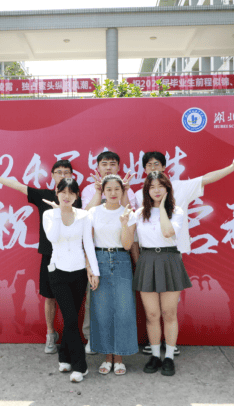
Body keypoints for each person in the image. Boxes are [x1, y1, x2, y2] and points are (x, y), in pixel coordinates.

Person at [135, 151, 234, 355]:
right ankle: (154, 345)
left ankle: (170, 346)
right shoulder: (140, 195)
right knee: (152, 310)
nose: (153, 168)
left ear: (164, 167)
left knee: (169, 308)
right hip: (148, 255)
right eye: (149, 165)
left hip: (173, 253)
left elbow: (206, 178)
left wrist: (232, 167)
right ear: (144, 169)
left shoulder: (180, 187)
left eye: (157, 164)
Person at [0, 160, 82, 354]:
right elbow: (19, 186)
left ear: (71, 176)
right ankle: (50, 334)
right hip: (50, 256)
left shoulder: (77, 197)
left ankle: (71, 337)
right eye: (59, 172)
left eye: (66, 172)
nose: (62, 175)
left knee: (73, 299)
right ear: (52, 175)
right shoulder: (44, 196)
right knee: (49, 297)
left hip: (72, 256)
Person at [122, 171, 189, 377]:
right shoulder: (139, 213)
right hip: (147, 260)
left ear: (167, 188)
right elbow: (127, 243)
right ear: (146, 190)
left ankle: (168, 357)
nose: (156, 190)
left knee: (169, 313)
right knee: (152, 314)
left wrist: (161, 208)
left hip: (169, 259)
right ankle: (154, 355)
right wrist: (125, 224)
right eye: (152, 187)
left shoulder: (176, 211)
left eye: (161, 186)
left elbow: (168, 232)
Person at [42, 178, 100, 383]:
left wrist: (94, 272)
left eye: (71, 193)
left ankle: (64, 357)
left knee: (72, 318)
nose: (67, 196)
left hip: (78, 272)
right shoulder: (49, 215)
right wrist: (59, 213)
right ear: (57, 193)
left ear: (76, 196)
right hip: (57, 272)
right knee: (71, 318)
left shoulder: (84, 215)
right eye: (63, 192)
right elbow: (53, 238)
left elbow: (88, 244)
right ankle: (80, 366)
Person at [80, 150, 137, 354]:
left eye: (112, 163)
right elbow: (86, 217)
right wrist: (98, 192)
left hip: (121, 252)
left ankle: (119, 351)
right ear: (97, 167)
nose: (108, 167)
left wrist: (125, 191)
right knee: (96, 302)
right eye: (104, 164)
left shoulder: (127, 190)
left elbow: (128, 215)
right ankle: (93, 339)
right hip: (98, 254)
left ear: (118, 167)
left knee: (123, 305)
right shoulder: (90, 190)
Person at [88, 175, 138, 376]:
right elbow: (88, 243)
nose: (113, 193)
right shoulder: (94, 212)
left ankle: (119, 357)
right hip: (99, 260)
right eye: (108, 189)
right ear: (103, 191)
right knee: (102, 311)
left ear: (122, 190)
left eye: (117, 189)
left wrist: (125, 224)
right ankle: (107, 356)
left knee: (124, 310)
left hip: (121, 260)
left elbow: (127, 245)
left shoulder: (128, 213)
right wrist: (91, 269)